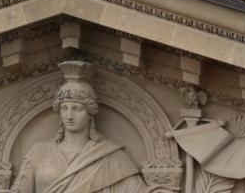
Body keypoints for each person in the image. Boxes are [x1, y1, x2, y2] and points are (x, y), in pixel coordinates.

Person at [9, 61, 150, 193]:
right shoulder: (39, 152)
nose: (69, 116)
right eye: (64, 108)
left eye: (77, 109)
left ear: (90, 113)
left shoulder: (110, 156)